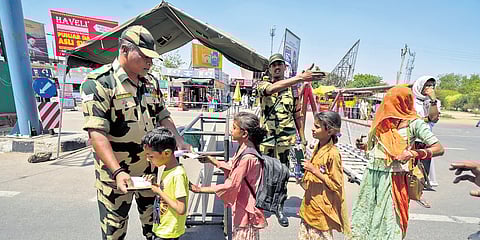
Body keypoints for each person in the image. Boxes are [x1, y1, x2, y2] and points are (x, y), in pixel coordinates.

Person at [80, 25, 192, 240]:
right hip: (115, 177)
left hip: (150, 174)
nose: (149, 63)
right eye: (144, 57)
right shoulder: (100, 82)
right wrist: (117, 172)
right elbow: (97, 133)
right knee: (114, 233)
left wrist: (179, 141)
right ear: (124, 50)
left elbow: (162, 115)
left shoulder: (151, 82)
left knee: (156, 230)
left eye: (151, 58)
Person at [350, 87, 444, 240]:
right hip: (372, 176)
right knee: (367, 217)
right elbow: (377, 146)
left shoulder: (414, 123)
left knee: (390, 221)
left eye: (391, 101)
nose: (386, 105)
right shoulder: (383, 121)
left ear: (402, 102)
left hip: (394, 179)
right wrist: (364, 146)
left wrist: (413, 153)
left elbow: (439, 148)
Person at [256, 53, 325, 227]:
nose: (277, 67)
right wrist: (299, 77)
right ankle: (262, 208)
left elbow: (297, 115)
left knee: (283, 175)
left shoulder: (293, 90)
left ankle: (279, 207)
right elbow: (271, 90)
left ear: (285, 67)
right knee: (265, 175)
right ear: (270, 69)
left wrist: (302, 137)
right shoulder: (262, 84)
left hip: (285, 140)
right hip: (267, 140)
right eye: (274, 65)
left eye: (280, 64)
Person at [190, 112, 266, 240]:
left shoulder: (248, 157)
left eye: (234, 127)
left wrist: (200, 189)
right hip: (246, 205)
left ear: (244, 133)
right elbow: (234, 168)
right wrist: (213, 161)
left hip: (246, 209)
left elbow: (231, 184)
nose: (231, 131)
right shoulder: (246, 148)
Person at [299, 111, 350, 240]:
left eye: (317, 126)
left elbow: (336, 184)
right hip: (309, 205)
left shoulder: (333, 154)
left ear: (329, 131)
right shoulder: (319, 146)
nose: (312, 129)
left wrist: (314, 170)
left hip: (321, 209)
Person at [142, 127, 189, 240]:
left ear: (166, 153)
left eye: (151, 156)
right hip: (162, 228)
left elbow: (181, 209)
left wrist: (158, 191)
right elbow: (168, 192)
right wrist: (155, 185)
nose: (148, 159)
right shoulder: (168, 169)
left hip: (168, 232)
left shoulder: (177, 175)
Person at [412, 76, 441, 208]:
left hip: (425, 139)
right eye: (427, 85)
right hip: (411, 138)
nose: (430, 89)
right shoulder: (410, 100)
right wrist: (423, 119)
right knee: (406, 168)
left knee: (423, 169)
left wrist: (433, 100)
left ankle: (419, 194)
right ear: (420, 86)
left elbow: (433, 118)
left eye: (432, 86)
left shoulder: (434, 102)